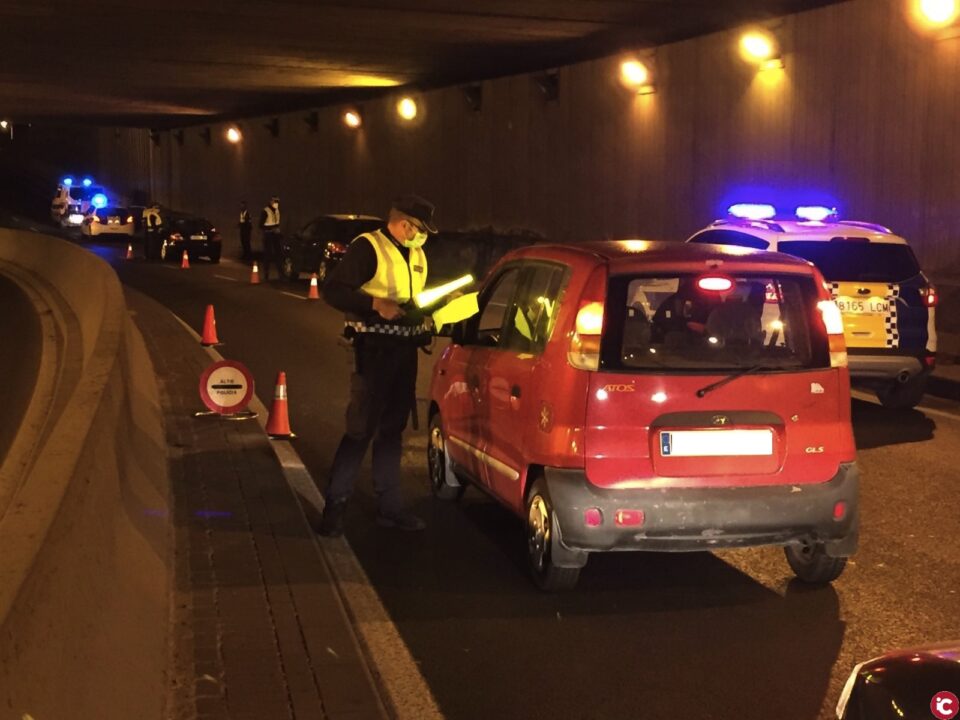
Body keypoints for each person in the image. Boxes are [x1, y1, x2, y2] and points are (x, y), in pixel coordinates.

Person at [318, 194, 438, 536]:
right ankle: (335, 507)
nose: (422, 237)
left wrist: (430, 313)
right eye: (420, 229)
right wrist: (374, 303)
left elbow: (410, 299)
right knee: (360, 430)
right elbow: (333, 291)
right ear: (405, 224)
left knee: (392, 431)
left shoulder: (416, 254)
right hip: (372, 352)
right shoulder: (368, 248)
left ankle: (390, 507)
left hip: (404, 352)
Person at [259, 195, 282, 280]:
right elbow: (260, 225)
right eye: (275, 201)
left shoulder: (277, 211)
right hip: (268, 235)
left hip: (275, 235)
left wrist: (277, 230)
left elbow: (277, 223)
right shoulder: (265, 211)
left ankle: (281, 274)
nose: (276, 203)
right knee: (267, 254)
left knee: (278, 254)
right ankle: (266, 274)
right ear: (271, 201)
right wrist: (271, 229)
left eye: (277, 202)